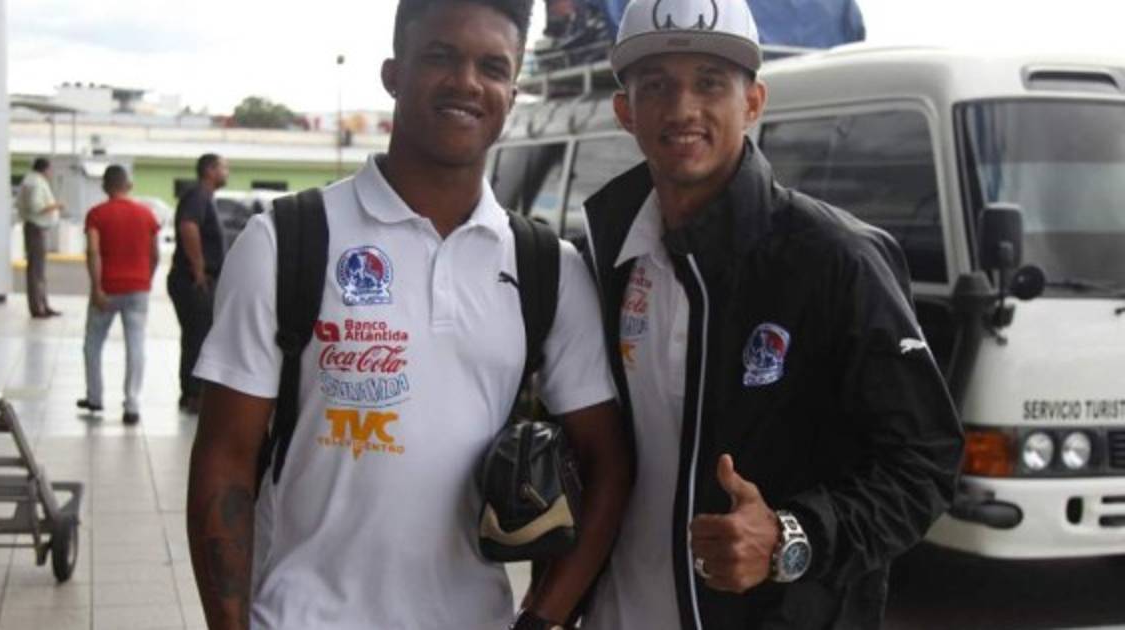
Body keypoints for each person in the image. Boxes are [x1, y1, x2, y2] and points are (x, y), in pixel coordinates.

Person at [186, 1, 630, 629]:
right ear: (393, 74)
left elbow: (608, 463)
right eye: (441, 57)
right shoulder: (285, 242)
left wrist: (542, 618)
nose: (466, 82)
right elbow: (225, 458)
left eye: (492, 67)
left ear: (512, 93)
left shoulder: (548, 269)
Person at [578, 1, 965, 628]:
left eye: (709, 83)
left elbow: (924, 464)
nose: (682, 109)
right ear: (626, 111)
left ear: (753, 102)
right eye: (656, 86)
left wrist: (791, 536)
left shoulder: (837, 259)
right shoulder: (603, 258)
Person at [77, 165, 160, 425]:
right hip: (138, 288)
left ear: (104, 186)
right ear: (129, 185)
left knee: (93, 343)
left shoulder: (96, 214)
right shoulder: (147, 214)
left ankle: (95, 397)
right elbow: (155, 254)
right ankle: (132, 403)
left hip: (107, 288)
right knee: (136, 344)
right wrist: (146, 279)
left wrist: (96, 288)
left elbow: (93, 251)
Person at [168, 153, 228, 413]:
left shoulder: (204, 197)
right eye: (224, 168)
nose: (227, 173)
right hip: (193, 281)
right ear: (210, 170)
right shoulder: (198, 196)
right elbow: (188, 226)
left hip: (194, 279)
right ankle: (193, 394)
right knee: (198, 337)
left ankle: (192, 393)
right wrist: (199, 271)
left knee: (197, 336)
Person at [16, 157, 64, 318]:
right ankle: (38, 307)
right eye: (50, 169)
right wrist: (56, 206)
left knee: (38, 269)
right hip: (36, 227)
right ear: (45, 169)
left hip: (36, 227)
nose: (51, 173)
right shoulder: (35, 183)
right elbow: (36, 206)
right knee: (36, 269)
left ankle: (42, 304)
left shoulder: (32, 180)